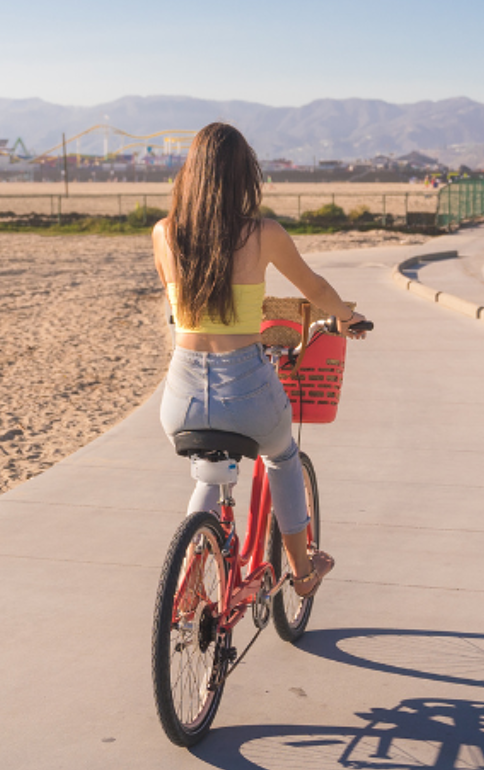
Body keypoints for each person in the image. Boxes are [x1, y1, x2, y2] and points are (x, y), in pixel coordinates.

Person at [152, 122, 364, 598]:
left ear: (190, 174)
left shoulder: (164, 233)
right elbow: (315, 289)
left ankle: (187, 584)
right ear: (243, 175)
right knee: (282, 456)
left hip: (181, 396)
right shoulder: (263, 233)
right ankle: (303, 573)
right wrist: (346, 317)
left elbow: (177, 307)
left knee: (209, 468)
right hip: (244, 387)